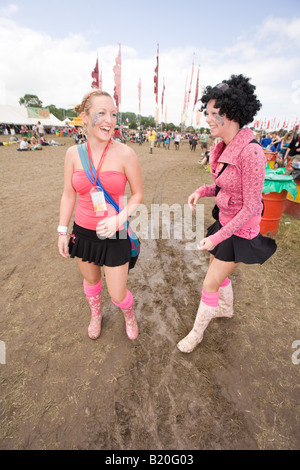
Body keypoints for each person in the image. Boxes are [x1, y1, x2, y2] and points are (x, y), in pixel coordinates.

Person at [177, 74, 277, 354]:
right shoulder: (219, 147)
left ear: (231, 114)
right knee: (217, 274)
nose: (207, 119)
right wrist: (202, 190)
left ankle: (196, 334)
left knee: (210, 281)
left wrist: (217, 237)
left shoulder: (252, 154)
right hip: (223, 223)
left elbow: (252, 206)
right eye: (206, 112)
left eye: (213, 114)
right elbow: (223, 185)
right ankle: (225, 308)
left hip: (240, 231)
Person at [57, 90, 143, 341]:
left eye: (114, 114)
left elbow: (138, 194)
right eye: (102, 113)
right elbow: (68, 194)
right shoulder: (73, 154)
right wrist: (63, 230)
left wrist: (119, 218)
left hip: (115, 232)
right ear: (85, 117)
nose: (109, 120)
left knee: (117, 294)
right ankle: (96, 314)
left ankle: (129, 314)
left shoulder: (126, 153)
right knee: (91, 281)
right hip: (83, 232)